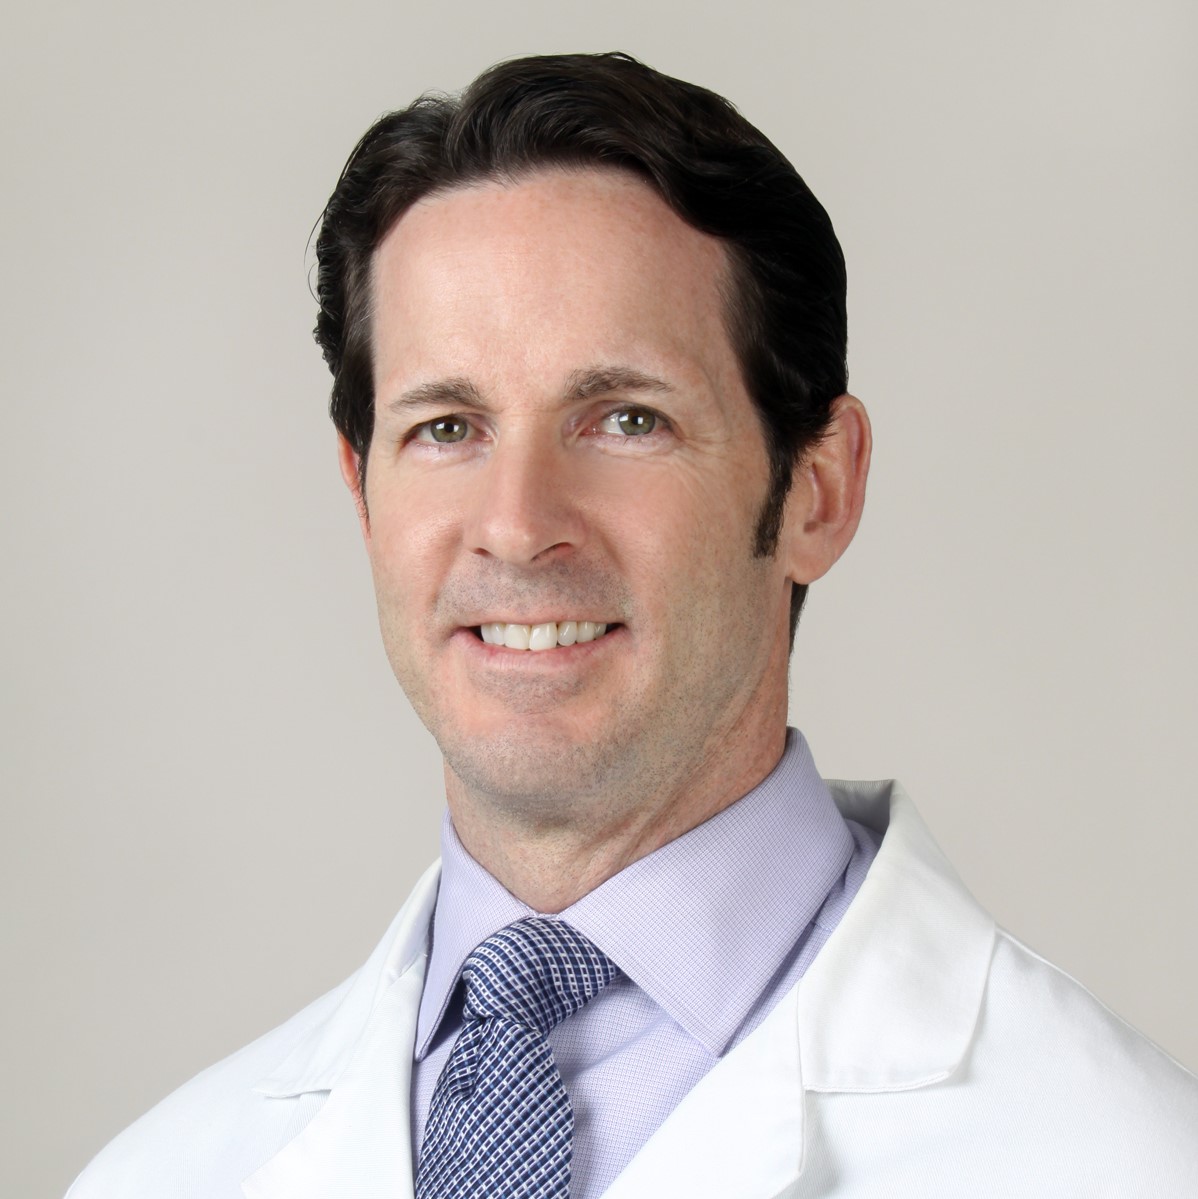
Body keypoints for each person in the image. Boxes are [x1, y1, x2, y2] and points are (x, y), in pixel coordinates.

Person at [67, 51, 1198, 1198]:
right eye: (448, 428)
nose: (516, 526)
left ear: (817, 490)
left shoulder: (1117, 1158)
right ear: (362, 491)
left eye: (624, 418)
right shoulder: (161, 1174)